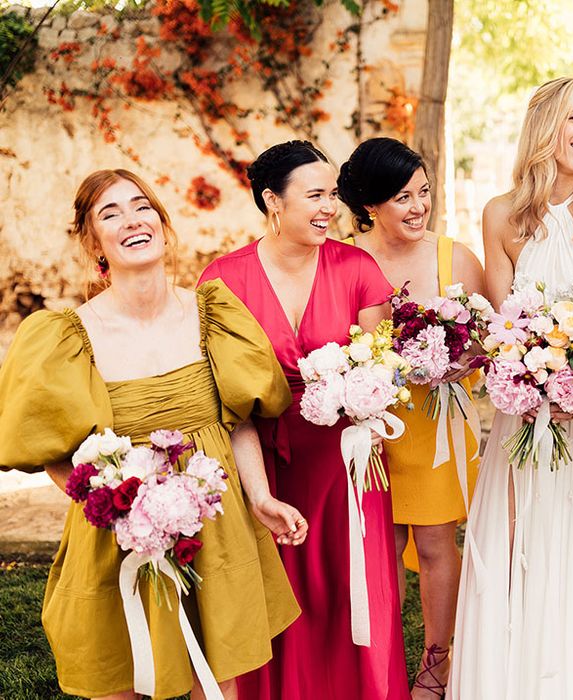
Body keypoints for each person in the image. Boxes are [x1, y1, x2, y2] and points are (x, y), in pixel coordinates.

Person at [0, 169, 307, 700]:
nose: (131, 220)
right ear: (93, 242)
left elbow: (232, 422)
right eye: (109, 213)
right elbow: (54, 452)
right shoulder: (68, 336)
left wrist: (260, 496)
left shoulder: (213, 314)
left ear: (163, 224)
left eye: (141, 206)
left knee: (216, 679)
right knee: (125, 675)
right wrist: (118, 508)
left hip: (213, 520)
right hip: (120, 532)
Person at [448, 77, 573, 699]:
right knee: (522, 545)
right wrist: (531, 375)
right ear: (544, 127)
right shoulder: (501, 215)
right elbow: (504, 324)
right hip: (525, 418)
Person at [198, 141, 410, 700]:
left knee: (351, 589)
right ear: (272, 200)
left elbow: (382, 367)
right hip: (261, 459)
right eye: (313, 194)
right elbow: (216, 388)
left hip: (347, 463)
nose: (328, 208)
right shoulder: (222, 281)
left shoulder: (358, 268)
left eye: (332, 194)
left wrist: (361, 392)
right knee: (274, 592)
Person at [337, 136, 484, 698]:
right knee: (376, 545)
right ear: (371, 205)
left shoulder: (457, 258)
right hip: (369, 429)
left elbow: (492, 339)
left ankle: (437, 664)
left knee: (433, 544)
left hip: (435, 426)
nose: (419, 207)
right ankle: (381, 665)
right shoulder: (346, 258)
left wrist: (455, 362)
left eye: (424, 193)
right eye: (403, 197)